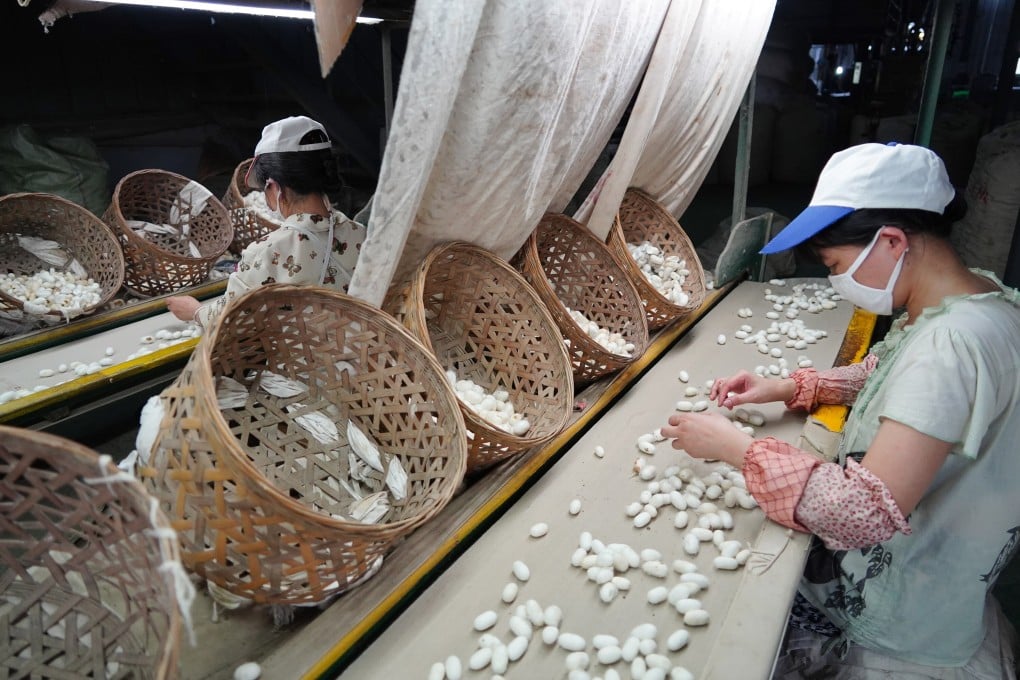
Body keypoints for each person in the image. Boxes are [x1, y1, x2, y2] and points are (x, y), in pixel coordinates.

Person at [662, 143, 1020, 679]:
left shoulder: (948, 349)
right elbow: (887, 374)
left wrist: (738, 449)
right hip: (950, 564)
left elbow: (863, 513)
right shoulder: (978, 297)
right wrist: (787, 387)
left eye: (835, 265)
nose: (834, 281)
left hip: (904, 604)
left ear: (892, 241)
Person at [167, 115, 365, 327]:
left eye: (264, 188)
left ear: (274, 187)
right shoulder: (360, 234)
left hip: (303, 359)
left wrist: (195, 311)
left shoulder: (268, 251)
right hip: (360, 353)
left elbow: (230, 318)